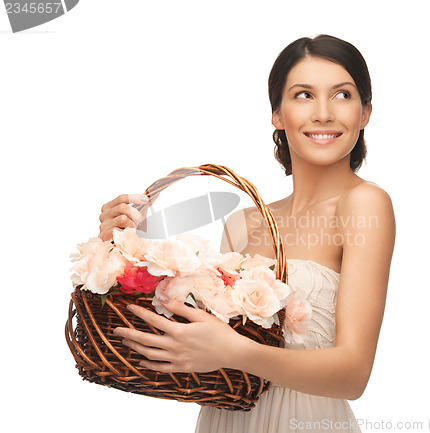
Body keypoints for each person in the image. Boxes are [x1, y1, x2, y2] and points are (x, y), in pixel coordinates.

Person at [99, 34, 396, 433]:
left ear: (365, 113)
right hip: (226, 419)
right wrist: (120, 250)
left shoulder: (364, 204)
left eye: (342, 95)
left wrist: (239, 351)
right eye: (304, 95)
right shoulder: (244, 223)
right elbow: (198, 345)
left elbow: (353, 374)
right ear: (277, 114)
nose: (323, 113)